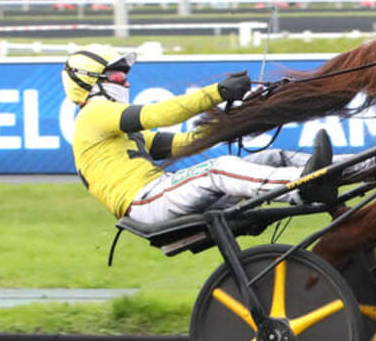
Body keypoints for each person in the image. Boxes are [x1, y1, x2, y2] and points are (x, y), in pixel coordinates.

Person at [61, 44, 341, 226]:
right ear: (90, 80)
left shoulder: (113, 134)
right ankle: (305, 185)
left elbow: (186, 143)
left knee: (271, 157)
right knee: (219, 168)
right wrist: (217, 92)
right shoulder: (93, 115)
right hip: (146, 202)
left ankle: (360, 166)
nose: (127, 81)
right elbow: (158, 115)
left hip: (159, 197)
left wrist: (233, 122)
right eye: (119, 77)